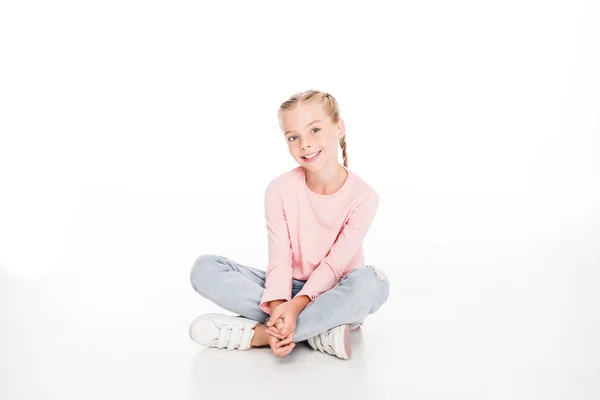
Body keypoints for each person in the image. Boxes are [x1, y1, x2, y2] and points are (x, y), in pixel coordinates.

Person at [188, 89, 390, 359]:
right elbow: (280, 258)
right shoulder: (279, 189)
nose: (305, 144)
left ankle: (261, 334)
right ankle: (317, 331)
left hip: (335, 292)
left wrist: (297, 306)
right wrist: (281, 303)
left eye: (315, 130)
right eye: (293, 137)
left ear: (339, 128)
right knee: (205, 269)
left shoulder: (365, 197)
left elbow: (334, 264)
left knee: (374, 283)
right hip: (284, 289)